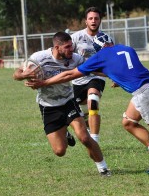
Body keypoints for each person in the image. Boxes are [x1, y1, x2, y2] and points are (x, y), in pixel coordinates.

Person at [26, 32, 149, 175]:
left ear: (98, 49)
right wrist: (114, 76)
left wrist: (43, 83)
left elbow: (69, 74)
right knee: (128, 122)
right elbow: (124, 69)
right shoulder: (127, 49)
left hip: (144, 93)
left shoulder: (100, 56)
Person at [13, 31, 111, 176]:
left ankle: (103, 168)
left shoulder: (75, 59)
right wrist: (23, 75)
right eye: (67, 47)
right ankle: (65, 133)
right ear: (57, 47)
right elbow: (16, 74)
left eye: (72, 46)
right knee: (60, 151)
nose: (71, 49)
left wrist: (114, 74)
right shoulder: (39, 58)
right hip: (48, 106)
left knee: (84, 137)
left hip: (68, 102)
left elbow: (94, 70)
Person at [70, 6, 111, 143]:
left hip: (97, 77)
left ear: (100, 21)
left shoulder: (106, 39)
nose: (93, 21)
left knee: (93, 101)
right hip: (77, 79)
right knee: (78, 113)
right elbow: (66, 56)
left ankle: (95, 140)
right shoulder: (76, 37)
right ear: (86, 21)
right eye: (90, 18)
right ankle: (85, 126)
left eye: (96, 18)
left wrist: (116, 76)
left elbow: (112, 60)